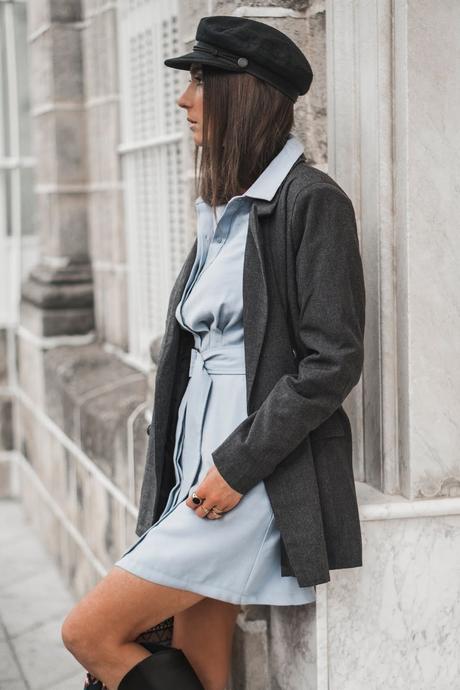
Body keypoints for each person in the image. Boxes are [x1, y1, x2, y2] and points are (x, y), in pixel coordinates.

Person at [61, 14, 365, 690]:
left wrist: (236, 465)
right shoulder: (226, 208)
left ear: (244, 91)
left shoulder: (311, 203)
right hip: (196, 468)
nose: (183, 98)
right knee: (203, 657)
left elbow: (331, 361)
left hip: (247, 476)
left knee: (88, 632)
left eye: (200, 81)